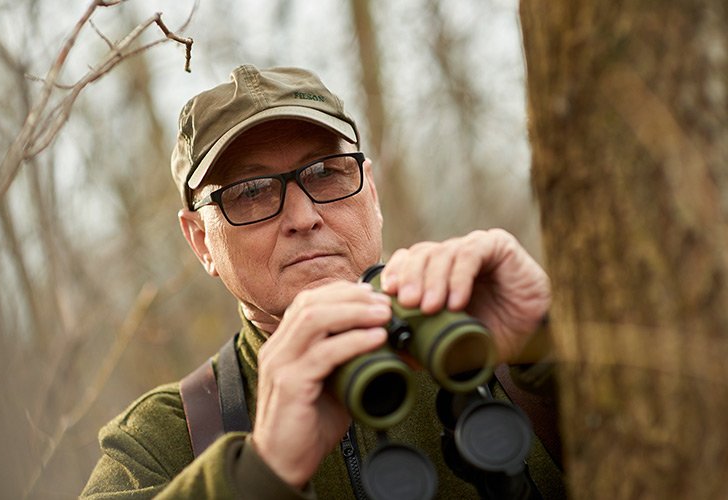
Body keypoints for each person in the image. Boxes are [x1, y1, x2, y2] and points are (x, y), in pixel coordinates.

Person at [81, 65, 563, 499]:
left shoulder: (496, 339)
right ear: (202, 241)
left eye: (325, 173)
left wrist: (554, 349)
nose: (303, 216)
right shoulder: (162, 440)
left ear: (371, 195)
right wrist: (257, 474)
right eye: (252, 192)